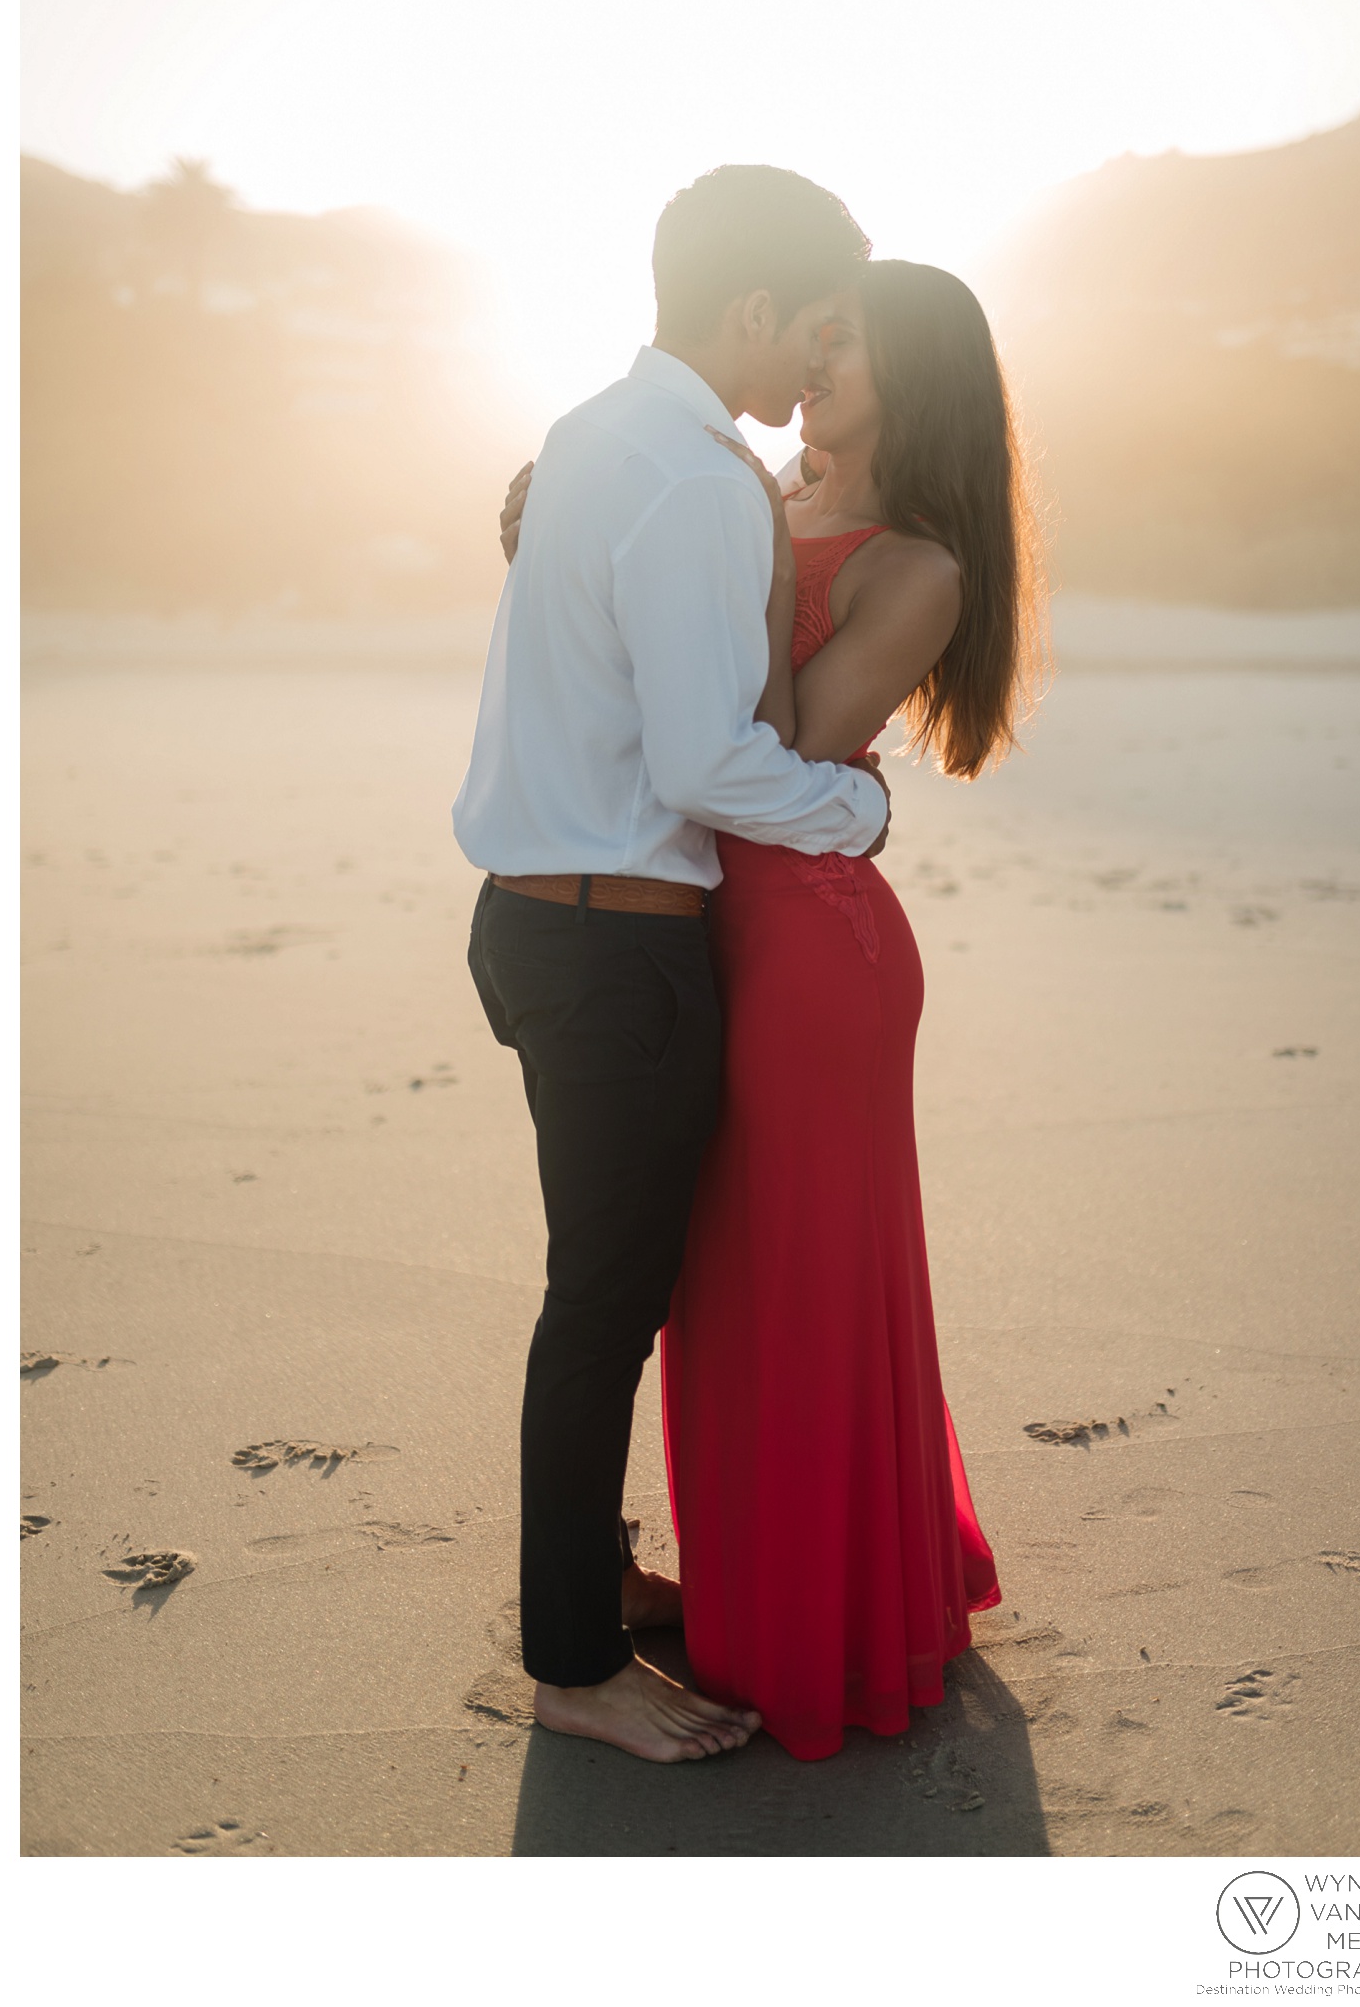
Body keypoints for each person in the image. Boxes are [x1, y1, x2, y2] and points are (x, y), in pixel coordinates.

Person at [499, 255, 1045, 1760]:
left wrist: (627, 543)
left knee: (798, 1286)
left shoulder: (914, 561)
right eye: (812, 331)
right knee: (707, 1286)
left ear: (911, 373)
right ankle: (730, 1578)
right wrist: (578, 542)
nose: (814, 360)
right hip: (688, 925)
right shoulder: (738, 489)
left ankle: (819, 1610)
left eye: (844, 340)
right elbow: (645, 665)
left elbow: (786, 740)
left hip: (808, 950)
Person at [453, 165, 892, 1766]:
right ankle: (573, 1658)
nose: (811, 371)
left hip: (536, 919)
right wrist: (857, 803)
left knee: (607, 1293)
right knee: (605, 1307)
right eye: (813, 330)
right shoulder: (698, 479)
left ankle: (592, 1579)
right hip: (616, 948)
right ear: (754, 309)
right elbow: (713, 762)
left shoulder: (585, 434)